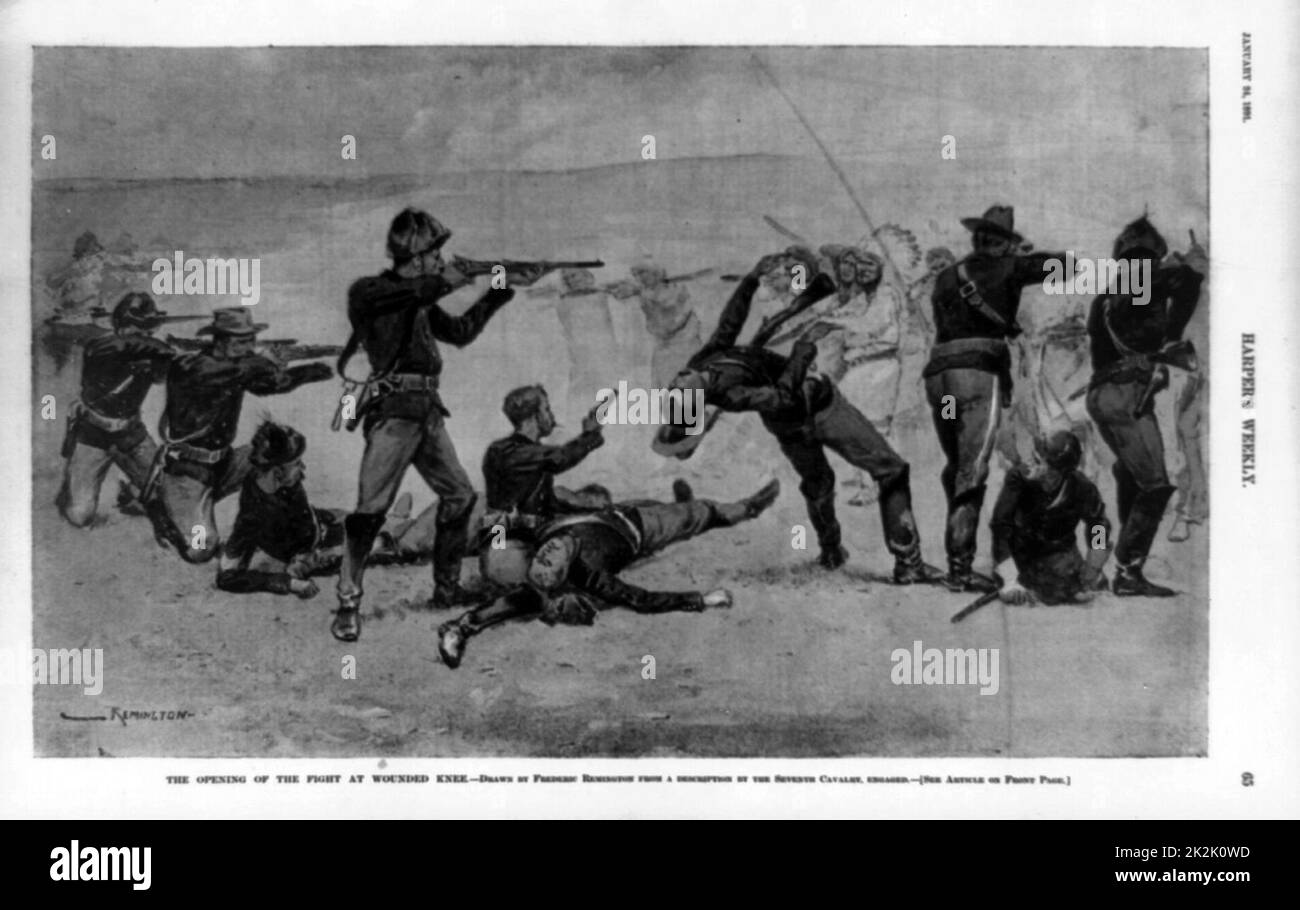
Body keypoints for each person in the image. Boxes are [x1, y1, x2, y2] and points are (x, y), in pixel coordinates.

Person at [655, 252, 943, 584]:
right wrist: (804, 349)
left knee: (820, 483)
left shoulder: (701, 363)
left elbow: (728, 326)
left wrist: (749, 281)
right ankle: (906, 563)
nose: (676, 381)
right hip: (816, 409)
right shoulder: (730, 396)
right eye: (681, 391)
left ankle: (837, 552)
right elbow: (784, 396)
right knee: (888, 470)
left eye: (675, 385)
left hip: (791, 419)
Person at [331, 208, 546, 642]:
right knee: (369, 512)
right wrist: (459, 276)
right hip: (392, 415)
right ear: (416, 253)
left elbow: (462, 331)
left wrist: (501, 284)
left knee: (460, 496)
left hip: (427, 412)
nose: (439, 259)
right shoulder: (372, 293)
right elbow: (419, 291)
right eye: (434, 253)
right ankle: (348, 602)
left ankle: (445, 589)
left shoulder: (421, 301)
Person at [436, 479, 779, 668]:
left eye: (550, 551)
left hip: (609, 513)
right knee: (694, 515)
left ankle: (708, 505)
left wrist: (497, 533)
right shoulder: (592, 580)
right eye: (549, 553)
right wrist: (702, 599)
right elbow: (642, 600)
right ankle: (745, 509)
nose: (551, 550)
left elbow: (506, 527)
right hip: (635, 529)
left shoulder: (543, 541)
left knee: (657, 505)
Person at [924, 205, 1070, 593]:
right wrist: (1024, 258)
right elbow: (1067, 267)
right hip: (976, 376)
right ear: (1004, 242)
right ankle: (959, 569)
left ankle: (956, 554)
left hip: (940, 378)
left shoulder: (945, 276)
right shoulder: (1011, 266)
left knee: (956, 464)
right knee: (972, 470)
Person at [154, 308, 334, 563]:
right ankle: (165, 511)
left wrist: (314, 370)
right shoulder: (190, 366)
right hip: (187, 473)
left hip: (224, 464)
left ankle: (293, 522)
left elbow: (270, 384)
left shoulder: (237, 368)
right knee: (201, 549)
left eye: (251, 340)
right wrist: (265, 361)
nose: (250, 347)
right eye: (242, 342)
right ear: (220, 341)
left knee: (278, 454)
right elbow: (226, 370)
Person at [1085, 216, 1205, 596]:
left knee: (1130, 476)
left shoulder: (1105, 296)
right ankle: (1128, 570)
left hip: (1108, 394)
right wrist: (1190, 270)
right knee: (1155, 486)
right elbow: (1185, 283)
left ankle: (1126, 567)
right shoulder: (1140, 279)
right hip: (1126, 395)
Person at [56, 292, 179, 545]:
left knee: (169, 496)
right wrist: (161, 347)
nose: (144, 334)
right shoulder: (102, 347)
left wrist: (171, 357)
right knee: (80, 515)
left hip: (130, 434)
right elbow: (123, 346)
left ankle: (133, 492)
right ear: (121, 325)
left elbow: (161, 377)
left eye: (148, 328)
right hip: (93, 435)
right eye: (138, 328)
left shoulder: (148, 350)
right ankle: (70, 490)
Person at [477, 384, 608, 593]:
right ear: (532, 416)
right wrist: (590, 435)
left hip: (519, 544)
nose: (552, 417)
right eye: (547, 409)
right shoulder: (505, 452)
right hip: (501, 549)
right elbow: (560, 458)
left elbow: (549, 502)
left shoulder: (533, 457)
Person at [991, 431, 1112, 605]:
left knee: (1084, 587)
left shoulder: (1081, 487)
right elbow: (1001, 526)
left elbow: (1098, 523)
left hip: (1060, 557)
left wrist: (1094, 562)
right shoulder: (1018, 478)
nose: (1031, 463)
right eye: (1035, 456)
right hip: (1019, 557)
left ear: (1059, 471)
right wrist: (1009, 577)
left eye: (1040, 461)